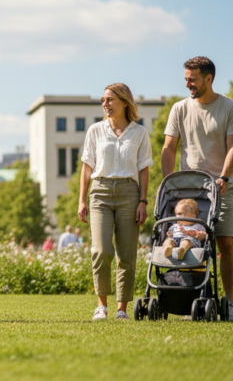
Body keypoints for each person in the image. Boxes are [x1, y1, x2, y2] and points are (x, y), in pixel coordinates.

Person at [161, 56, 233, 321]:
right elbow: (169, 148)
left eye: (193, 79)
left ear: (209, 79)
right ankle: (190, 299)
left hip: (221, 186)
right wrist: (169, 184)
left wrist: (225, 177)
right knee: (188, 241)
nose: (188, 84)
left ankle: (230, 304)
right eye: (186, 79)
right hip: (188, 191)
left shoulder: (230, 108)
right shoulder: (179, 109)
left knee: (226, 243)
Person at [78, 83, 151, 321]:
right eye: (103, 100)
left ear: (124, 102)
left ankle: (121, 309)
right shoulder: (95, 130)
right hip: (99, 192)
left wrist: (143, 201)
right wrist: (82, 200)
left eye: (110, 99)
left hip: (130, 193)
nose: (105, 104)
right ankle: (102, 305)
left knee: (127, 254)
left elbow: (143, 169)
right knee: (101, 250)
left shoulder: (139, 133)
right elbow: (87, 167)